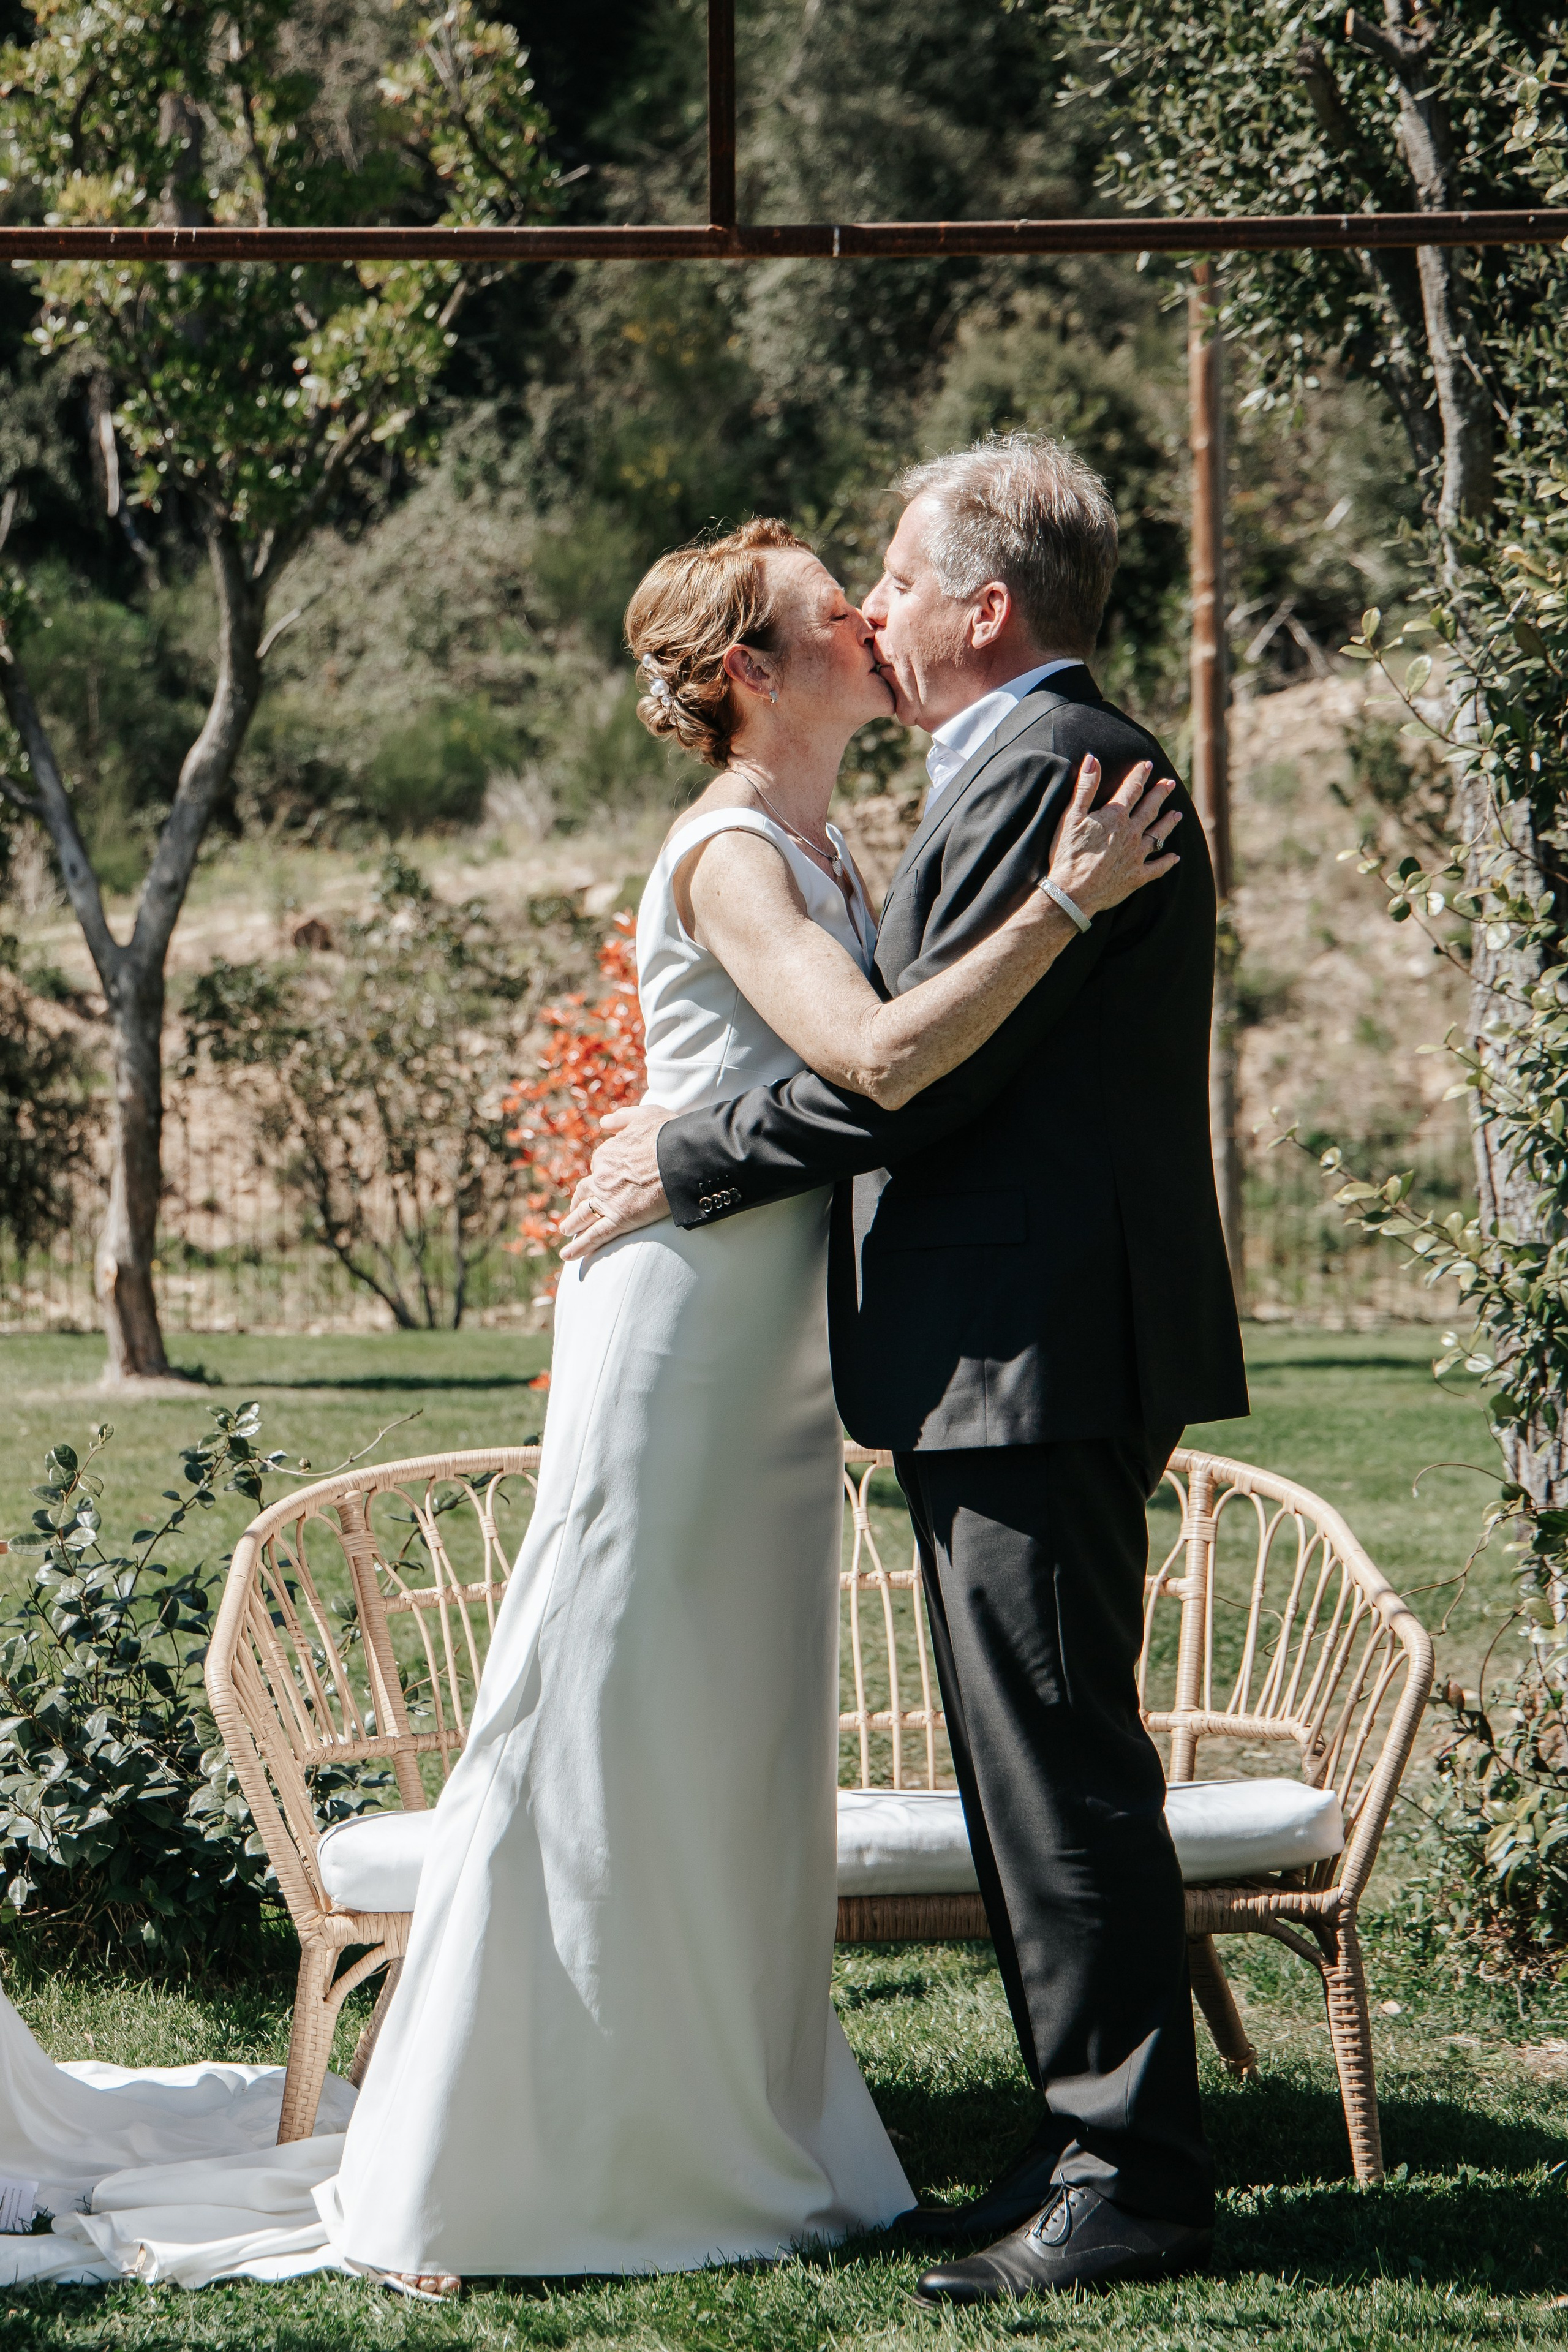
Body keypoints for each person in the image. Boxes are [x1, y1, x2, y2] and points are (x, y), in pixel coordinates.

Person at [0, 510, 1176, 2298]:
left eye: (873, 593)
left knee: (733, 1733)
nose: (867, 615)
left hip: (777, 1346)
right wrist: (1070, 905)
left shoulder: (828, 834)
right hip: (687, 1337)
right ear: (750, 671)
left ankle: (722, 2108)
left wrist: (716, 1122)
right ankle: (540, 2140)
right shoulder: (728, 853)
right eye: (823, 608)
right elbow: (872, 1061)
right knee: (614, 1699)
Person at [568, 435, 1250, 2304]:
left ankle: (1131, 2179)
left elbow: (910, 1068)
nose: (870, 600)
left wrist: (687, 1153)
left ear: (985, 607)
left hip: (1029, 1346)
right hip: (1015, 1341)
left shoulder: (1043, 763)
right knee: (1033, 1760)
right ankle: (1077, 2142)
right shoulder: (1019, 764)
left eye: (890, 568)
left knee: (1058, 1766)